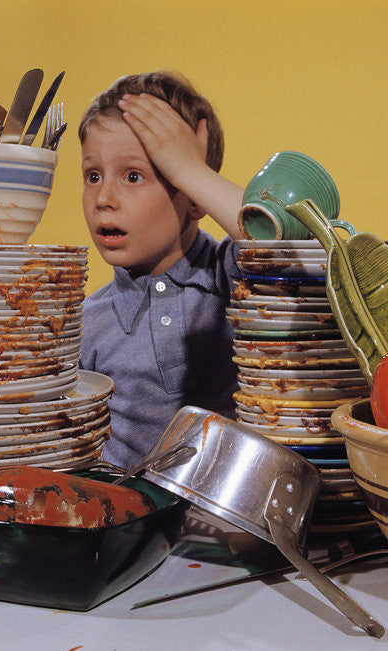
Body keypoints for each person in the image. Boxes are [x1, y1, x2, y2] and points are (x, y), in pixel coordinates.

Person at [77, 70, 246, 468]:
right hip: (126, 524)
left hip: (223, 524)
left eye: (133, 175)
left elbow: (286, 248)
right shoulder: (86, 322)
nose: (103, 197)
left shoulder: (230, 276)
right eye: (92, 175)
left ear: (195, 198)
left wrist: (192, 172)